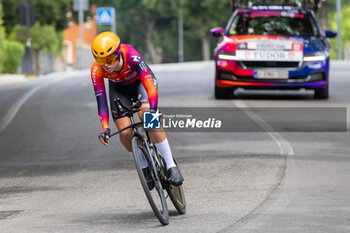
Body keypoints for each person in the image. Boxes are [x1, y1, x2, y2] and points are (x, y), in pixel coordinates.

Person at [90, 32, 183, 189]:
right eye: (101, 60)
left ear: (118, 53)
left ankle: (170, 164)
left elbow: (150, 87)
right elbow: (101, 101)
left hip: (141, 83)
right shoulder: (96, 70)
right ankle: (145, 167)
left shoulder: (132, 55)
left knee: (147, 117)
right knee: (125, 132)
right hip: (119, 90)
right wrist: (105, 127)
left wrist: (153, 110)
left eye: (110, 58)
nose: (106, 64)